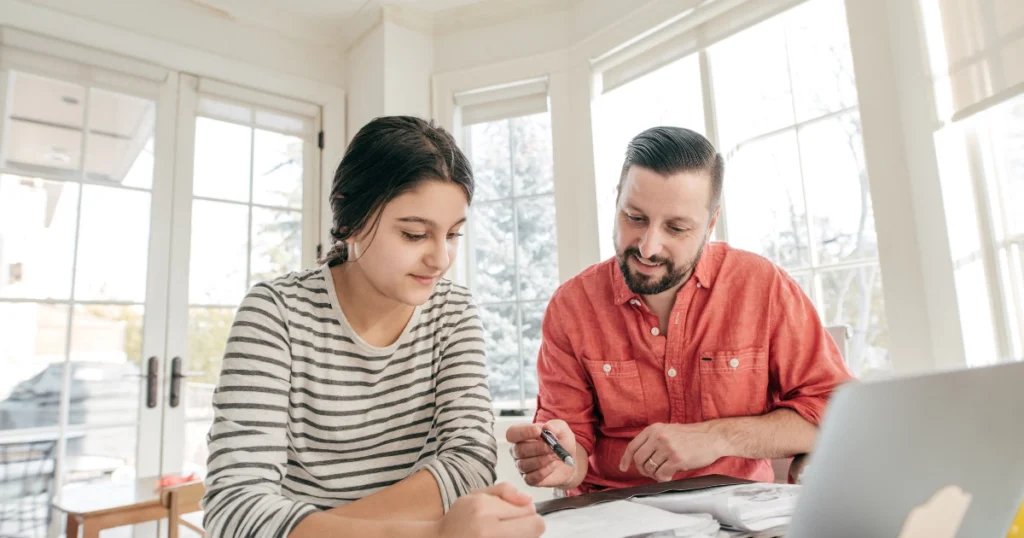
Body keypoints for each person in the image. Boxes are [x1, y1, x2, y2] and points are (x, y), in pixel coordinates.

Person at [201, 116, 544, 538]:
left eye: (452, 234)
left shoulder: (453, 312)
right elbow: (235, 508)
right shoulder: (275, 313)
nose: (441, 259)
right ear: (349, 219)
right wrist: (428, 534)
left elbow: (470, 460)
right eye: (415, 234)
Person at [507, 126, 852, 495]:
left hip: (739, 518)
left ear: (711, 224)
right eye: (635, 218)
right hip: (613, 519)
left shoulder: (762, 286)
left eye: (676, 227)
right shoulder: (572, 307)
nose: (648, 247)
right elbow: (571, 453)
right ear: (617, 202)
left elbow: (838, 415)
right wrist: (556, 459)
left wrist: (717, 438)